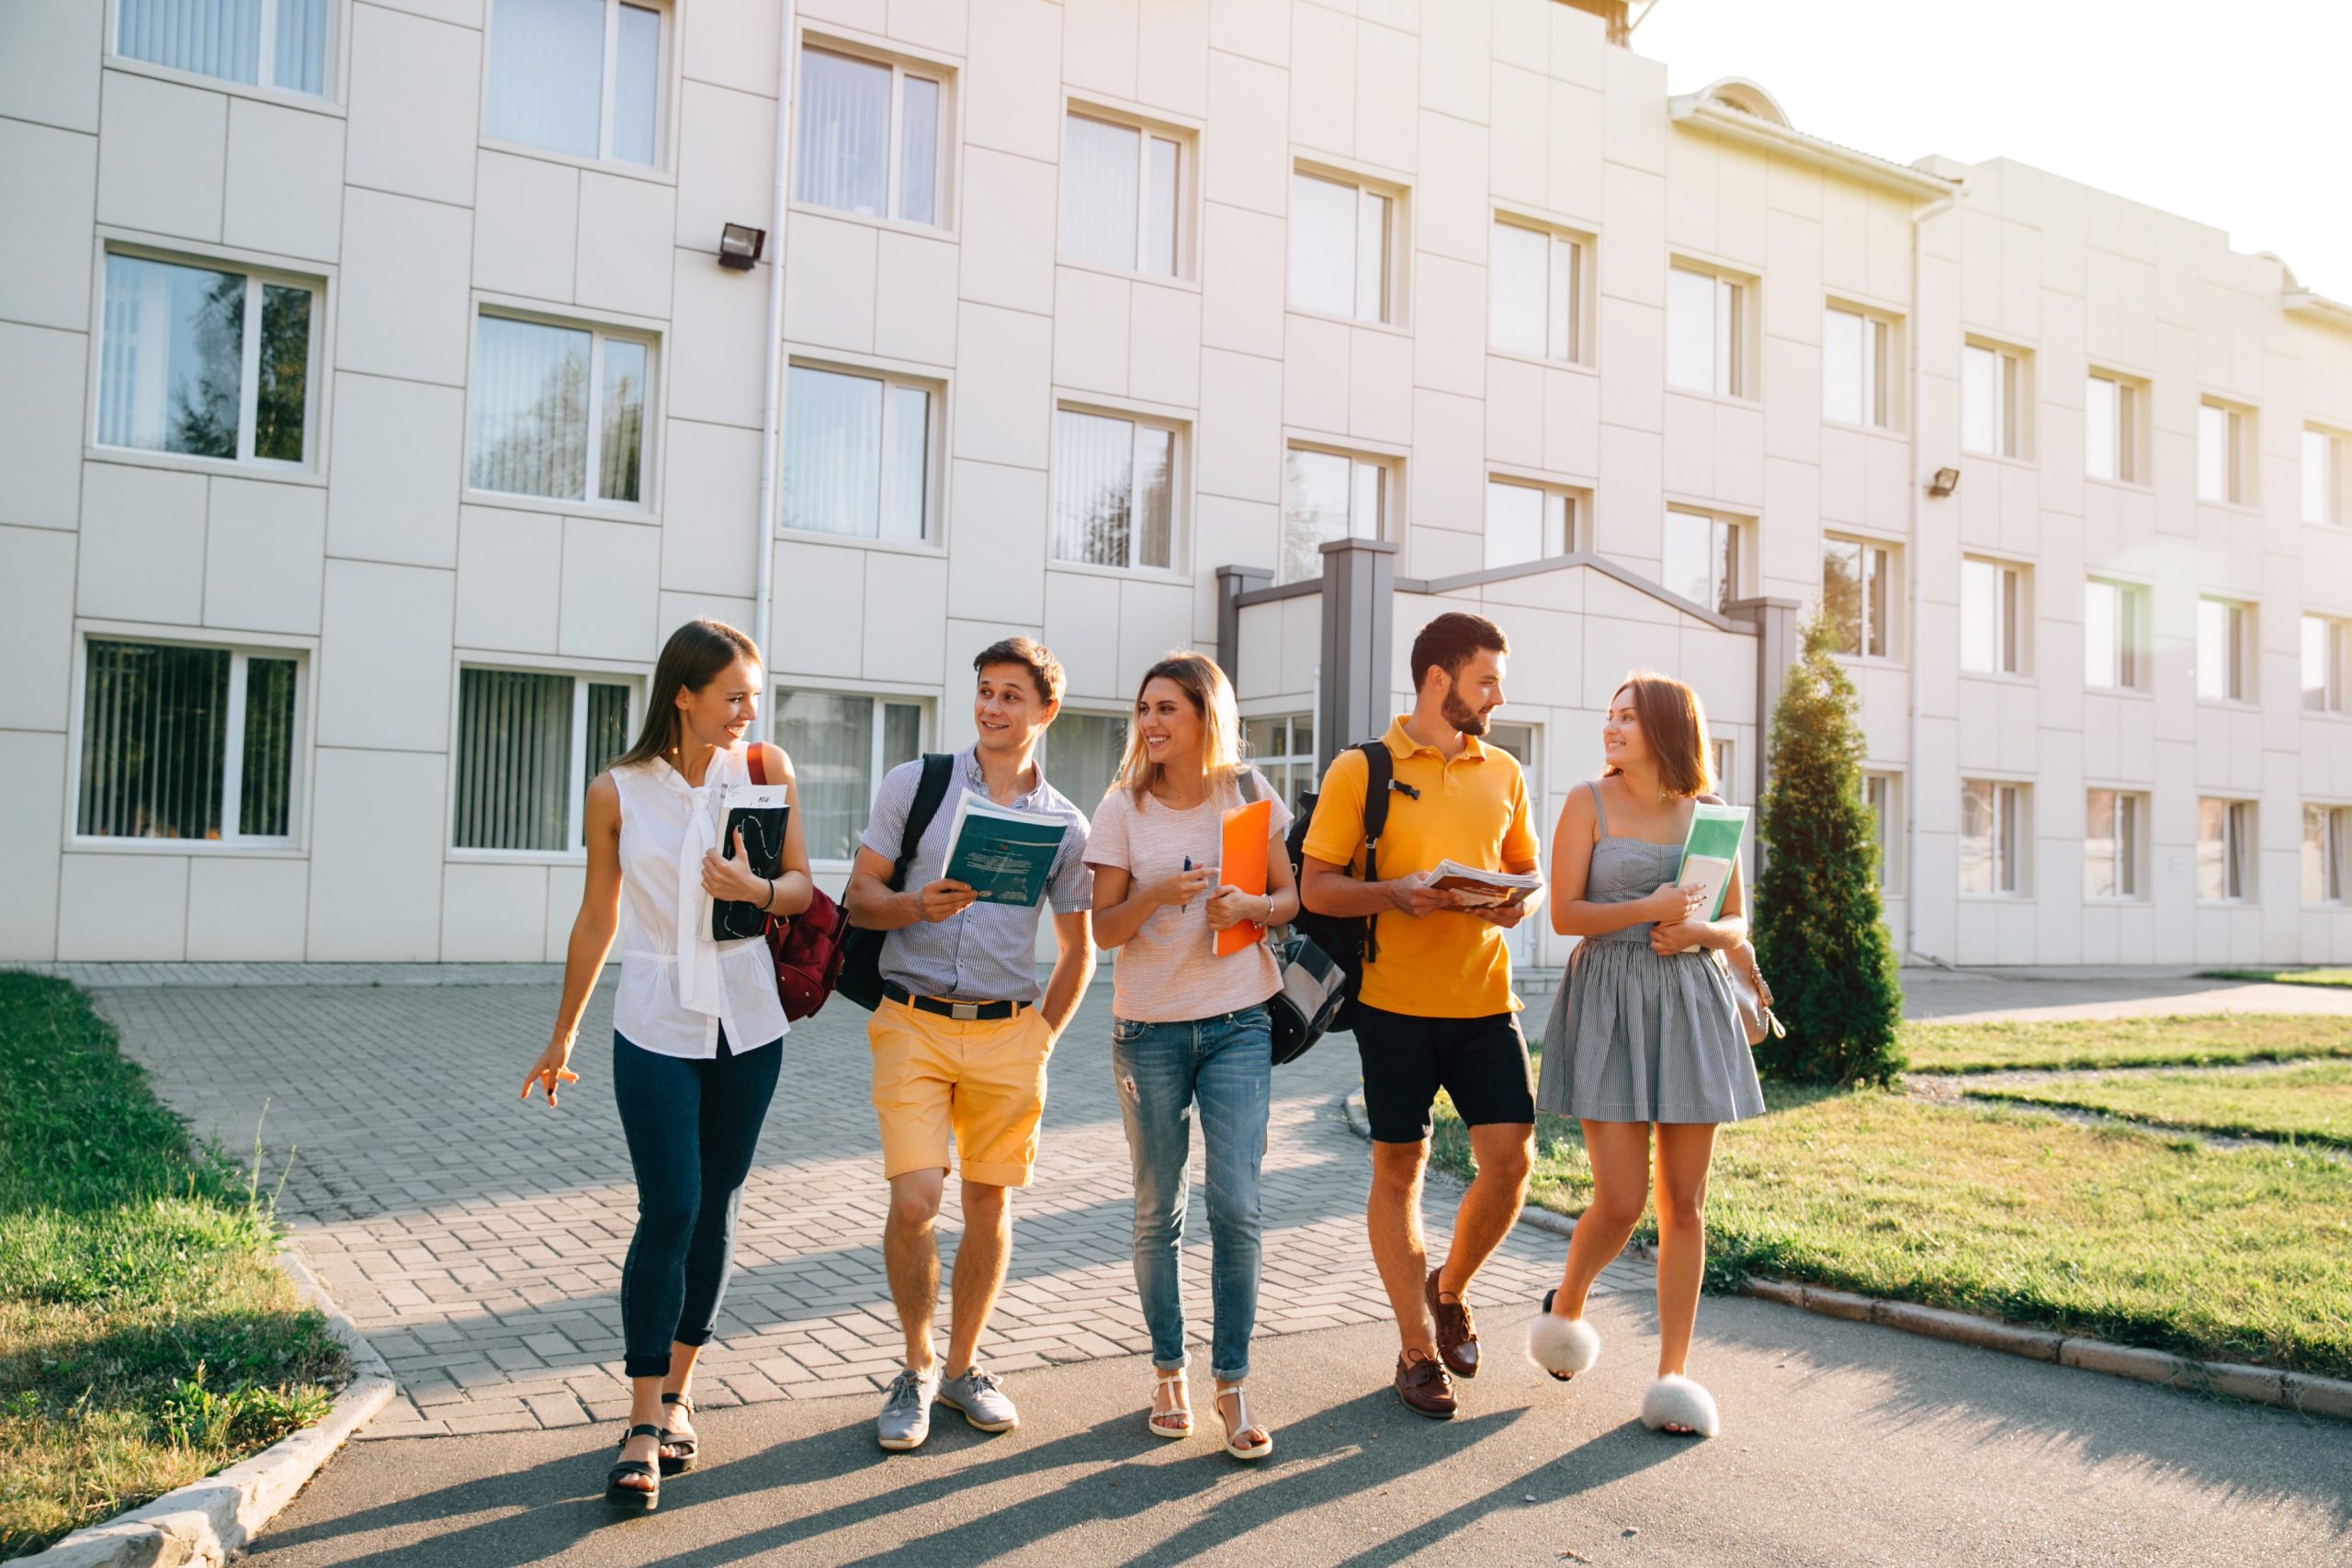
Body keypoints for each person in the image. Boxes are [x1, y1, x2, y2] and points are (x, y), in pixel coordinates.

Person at [520, 619, 812, 1512]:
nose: (746, 711)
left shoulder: (766, 772)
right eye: (733, 695)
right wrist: (562, 1032)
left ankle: (680, 1393)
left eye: (754, 696)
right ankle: (641, 1419)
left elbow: (801, 886)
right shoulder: (616, 792)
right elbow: (596, 919)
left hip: (748, 1019)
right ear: (682, 694)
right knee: (670, 1206)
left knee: (717, 1207)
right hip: (652, 1017)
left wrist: (753, 892)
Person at [844, 637, 1096, 1451]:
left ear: (1045, 711)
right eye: (985, 691)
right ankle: (915, 1368)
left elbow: (1081, 947)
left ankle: (962, 1368)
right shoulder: (914, 785)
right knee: (916, 1198)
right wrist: (917, 906)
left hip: (1005, 1033)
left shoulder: (1065, 824)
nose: (992, 707)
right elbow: (857, 898)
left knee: (990, 1204)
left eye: (1011, 695)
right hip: (911, 1019)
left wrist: (1042, 1038)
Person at [1297, 612, 1542, 1420]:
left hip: (1484, 1001)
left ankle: (1451, 1288)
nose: (1498, 695)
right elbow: (1316, 887)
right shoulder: (1359, 769)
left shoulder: (1504, 770)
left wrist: (1510, 905)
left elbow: (1522, 868)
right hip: (1391, 1007)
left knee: (1510, 1162)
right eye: (1487, 680)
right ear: (1439, 678)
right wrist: (1394, 894)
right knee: (1397, 1171)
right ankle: (1415, 1348)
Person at [1524, 671, 1765, 1439]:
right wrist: (1653, 908)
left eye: (1627, 717)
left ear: (1666, 729)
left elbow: (1736, 920)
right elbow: (1566, 914)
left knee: (1685, 1203)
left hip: (1691, 1005)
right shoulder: (1585, 802)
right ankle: (1566, 1306)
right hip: (1610, 1001)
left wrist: (1698, 932)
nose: (1612, 728)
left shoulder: (1711, 817)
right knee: (1623, 1198)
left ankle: (1673, 1373)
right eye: (1609, 716)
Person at [1087, 652, 1300, 1461]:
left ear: (1206, 715)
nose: (1150, 723)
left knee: (1238, 1204)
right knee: (1157, 1208)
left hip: (1238, 1020)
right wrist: (1156, 897)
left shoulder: (1247, 793)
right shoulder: (1122, 808)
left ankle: (1233, 1378)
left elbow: (1291, 897)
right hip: (1148, 1028)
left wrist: (1254, 905)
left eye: (1166, 708)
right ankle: (1168, 1367)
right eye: (1144, 708)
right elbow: (1102, 929)